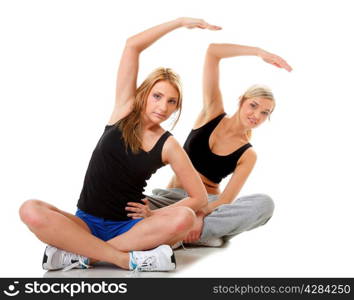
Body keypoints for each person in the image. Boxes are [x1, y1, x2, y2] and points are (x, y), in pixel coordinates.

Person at [19, 18, 221, 272]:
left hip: (129, 227)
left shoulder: (168, 145)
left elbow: (199, 197)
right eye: (157, 96)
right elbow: (132, 46)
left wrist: (155, 215)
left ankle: (83, 254)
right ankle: (123, 258)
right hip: (86, 223)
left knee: (185, 217)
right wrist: (180, 23)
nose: (162, 107)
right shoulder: (123, 110)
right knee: (30, 210)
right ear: (144, 94)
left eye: (171, 102)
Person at [127, 42, 292, 247]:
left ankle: (190, 231)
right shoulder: (211, 112)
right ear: (241, 100)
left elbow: (226, 200)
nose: (256, 115)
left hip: (209, 205)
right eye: (253, 105)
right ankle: (190, 235)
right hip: (171, 200)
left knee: (264, 204)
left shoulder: (248, 154)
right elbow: (213, 52)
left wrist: (200, 215)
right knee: (126, 206)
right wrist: (259, 52)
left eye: (265, 113)